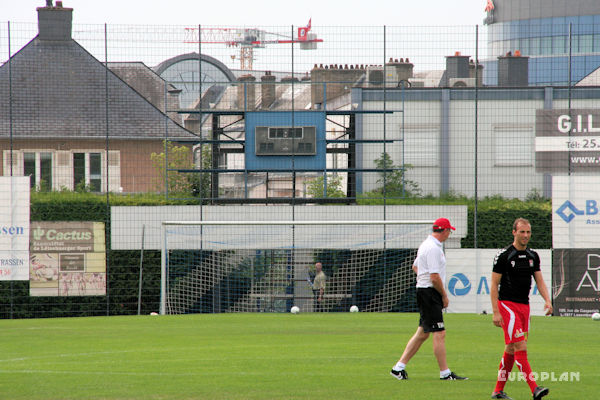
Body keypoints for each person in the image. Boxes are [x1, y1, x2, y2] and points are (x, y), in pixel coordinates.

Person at [390, 218, 468, 381]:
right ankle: (445, 373)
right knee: (440, 333)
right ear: (445, 231)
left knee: (423, 333)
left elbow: (415, 267)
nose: (449, 234)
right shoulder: (432, 248)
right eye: (449, 231)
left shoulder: (427, 244)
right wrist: (444, 295)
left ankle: (398, 368)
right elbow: (434, 276)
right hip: (430, 293)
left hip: (425, 291)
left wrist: (422, 279)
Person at [490, 218, 552, 400]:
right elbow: (494, 284)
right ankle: (534, 388)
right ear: (514, 232)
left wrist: (547, 300)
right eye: (522, 232)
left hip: (524, 308)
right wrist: (495, 311)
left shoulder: (533, 256)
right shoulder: (504, 255)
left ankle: (497, 391)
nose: (525, 235)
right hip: (507, 306)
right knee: (520, 346)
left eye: (528, 232)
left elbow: (539, 280)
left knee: (510, 349)